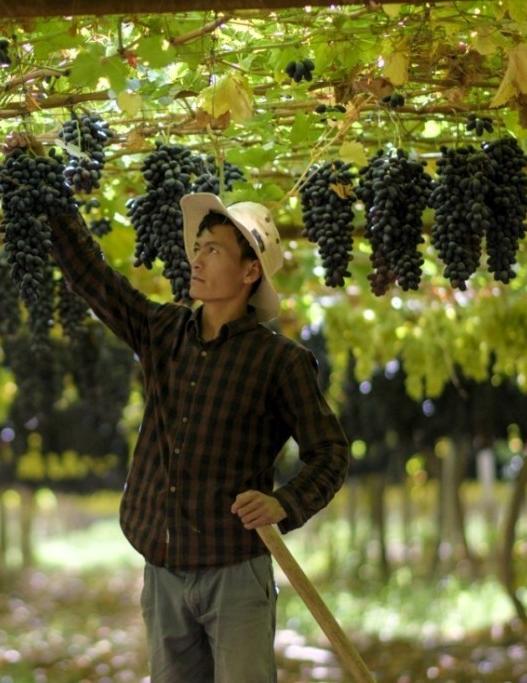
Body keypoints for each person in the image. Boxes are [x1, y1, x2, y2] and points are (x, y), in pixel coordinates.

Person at [49, 192, 349, 682]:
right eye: (197, 247)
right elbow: (93, 278)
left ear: (250, 271)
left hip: (235, 571)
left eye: (213, 249)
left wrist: (285, 503)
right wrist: (47, 190)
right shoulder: (162, 332)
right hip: (163, 568)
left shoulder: (281, 363)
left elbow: (330, 453)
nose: (197, 259)